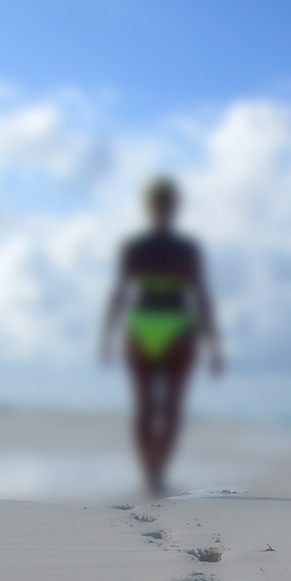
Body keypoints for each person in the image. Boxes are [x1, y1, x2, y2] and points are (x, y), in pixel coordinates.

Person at [101, 177, 222, 495]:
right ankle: (155, 473)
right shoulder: (186, 250)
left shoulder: (136, 248)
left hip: (144, 324)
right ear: (175, 207)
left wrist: (107, 335)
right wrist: (214, 345)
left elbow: (120, 292)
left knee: (146, 407)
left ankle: (151, 475)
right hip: (177, 325)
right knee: (168, 408)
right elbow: (201, 296)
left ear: (148, 207)